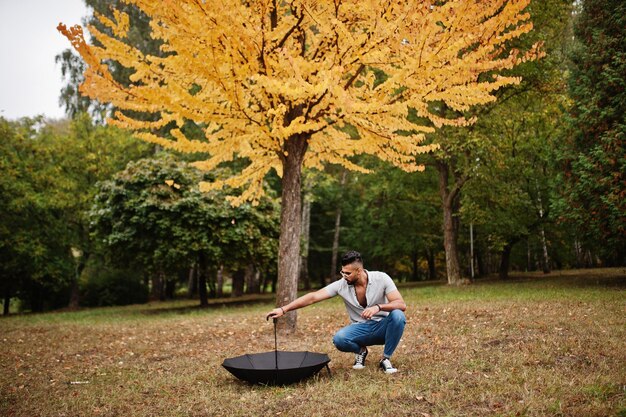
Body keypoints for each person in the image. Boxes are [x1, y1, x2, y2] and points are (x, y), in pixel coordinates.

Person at [266, 250, 406, 374]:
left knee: (398, 315)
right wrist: (283, 309)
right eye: (342, 272)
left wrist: (378, 307)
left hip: (383, 327)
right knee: (339, 339)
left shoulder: (381, 278)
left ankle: (385, 358)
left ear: (359, 271)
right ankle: (361, 352)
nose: (344, 276)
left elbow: (401, 304)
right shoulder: (341, 285)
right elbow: (313, 297)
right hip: (361, 328)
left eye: (347, 273)